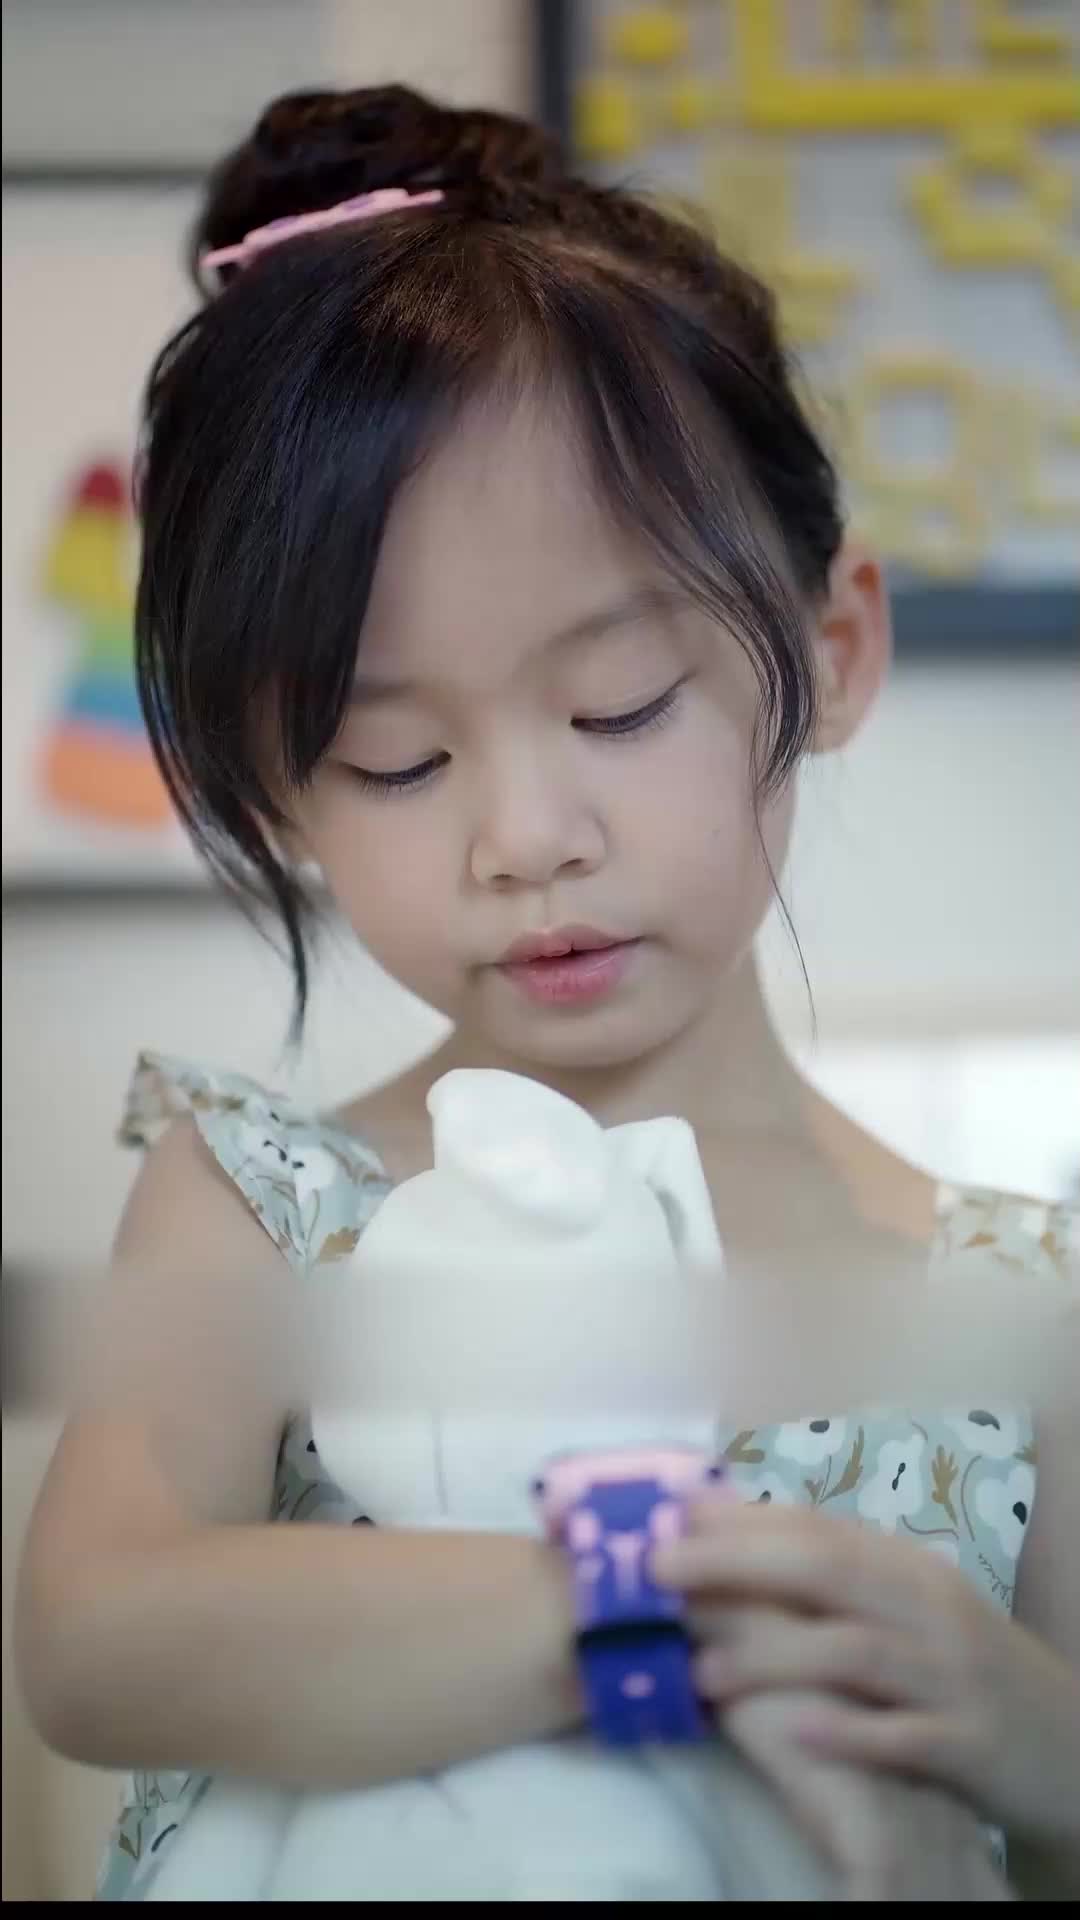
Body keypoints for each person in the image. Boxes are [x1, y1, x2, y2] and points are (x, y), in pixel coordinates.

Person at [15, 84, 1078, 1901]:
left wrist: (1025, 1727)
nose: (524, 839)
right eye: (397, 761)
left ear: (830, 650)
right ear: (281, 788)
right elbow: (98, 1635)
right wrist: (648, 1606)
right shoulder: (263, 1197)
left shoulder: (1016, 1310)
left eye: (620, 708)